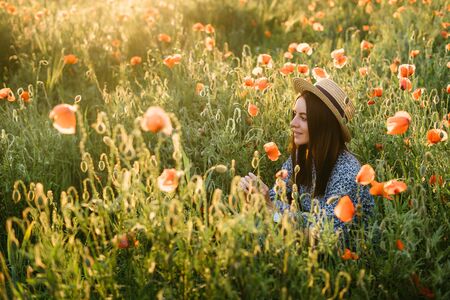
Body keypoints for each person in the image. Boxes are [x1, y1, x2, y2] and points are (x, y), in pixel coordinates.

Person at [239, 77, 374, 234]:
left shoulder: (347, 172)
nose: (293, 123)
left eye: (303, 118)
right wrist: (254, 196)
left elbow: (325, 235)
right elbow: (276, 196)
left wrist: (269, 206)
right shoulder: (301, 156)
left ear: (323, 124)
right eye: (294, 114)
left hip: (347, 254)